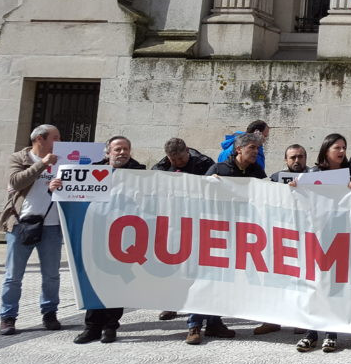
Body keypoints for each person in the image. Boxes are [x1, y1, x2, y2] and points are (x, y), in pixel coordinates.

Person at [190, 132, 267, 344]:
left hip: (238, 234)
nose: (256, 152)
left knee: (222, 280)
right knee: (206, 278)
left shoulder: (257, 172)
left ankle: (214, 323)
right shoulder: (218, 169)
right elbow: (199, 194)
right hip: (215, 232)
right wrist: (209, 183)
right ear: (239, 149)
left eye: (257, 149)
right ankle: (194, 325)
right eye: (252, 147)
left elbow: (267, 196)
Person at [67, 136, 144, 343]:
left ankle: (110, 326)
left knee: (115, 281)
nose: (122, 152)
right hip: (95, 234)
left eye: (126, 149)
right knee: (94, 279)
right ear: (107, 152)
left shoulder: (140, 173)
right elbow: (71, 193)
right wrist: (55, 187)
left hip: (124, 236)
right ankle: (92, 327)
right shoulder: (92, 171)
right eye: (118, 149)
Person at [290, 133, 351, 353]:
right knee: (314, 285)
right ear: (326, 149)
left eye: (344, 147)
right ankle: (311, 333)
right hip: (315, 235)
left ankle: (331, 334)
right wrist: (294, 188)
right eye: (337, 147)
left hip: (340, 234)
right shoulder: (312, 173)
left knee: (334, 286)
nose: (341, 152)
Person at [0, 124, 65, 337]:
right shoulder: (19, 158)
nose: (60, 141)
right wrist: (42, 165)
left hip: (52, 225)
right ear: (40, 139)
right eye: (56, 137)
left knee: (51, 275)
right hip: (21, 224)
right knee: (13, 276)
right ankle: (8, 317)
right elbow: (15, 182)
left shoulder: (63, 159)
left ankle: (49, 313)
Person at [153, 137, 214, 322]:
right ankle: (171, 304)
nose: (178, 163)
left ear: (187, 151)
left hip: (198, 220)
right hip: (173, 220)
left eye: (180, 159)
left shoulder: (204, 163)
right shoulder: (161, 166)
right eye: (173, 161)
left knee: (196, 266)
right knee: (172, 265)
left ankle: (198, 304)